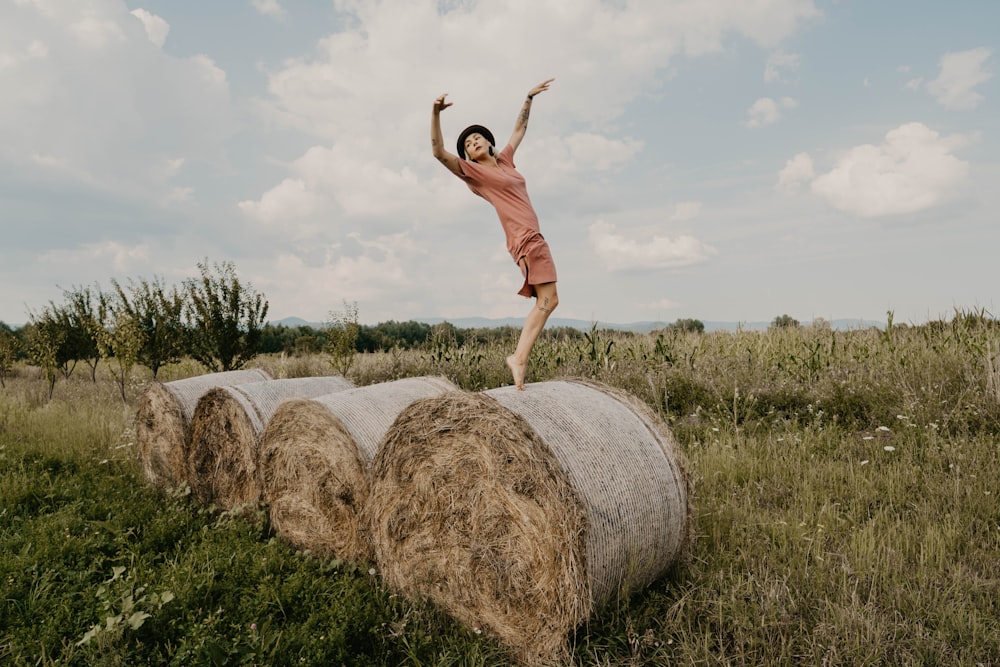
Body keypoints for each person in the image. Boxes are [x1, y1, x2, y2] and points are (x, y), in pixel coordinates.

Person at [431, 78, 557, 391]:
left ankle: (519, 358)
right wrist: (435, 113)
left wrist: (528, 98)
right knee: (549, 300)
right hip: (525, 240)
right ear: (469, 157)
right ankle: (519, 358)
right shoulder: (477, 174)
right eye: (467, 144)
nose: (473, 142)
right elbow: (437, 152)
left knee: (548, 300)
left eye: (477, 138)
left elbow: (519, 130)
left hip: (534, 237)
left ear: (489, 144)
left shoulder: (505, 162)